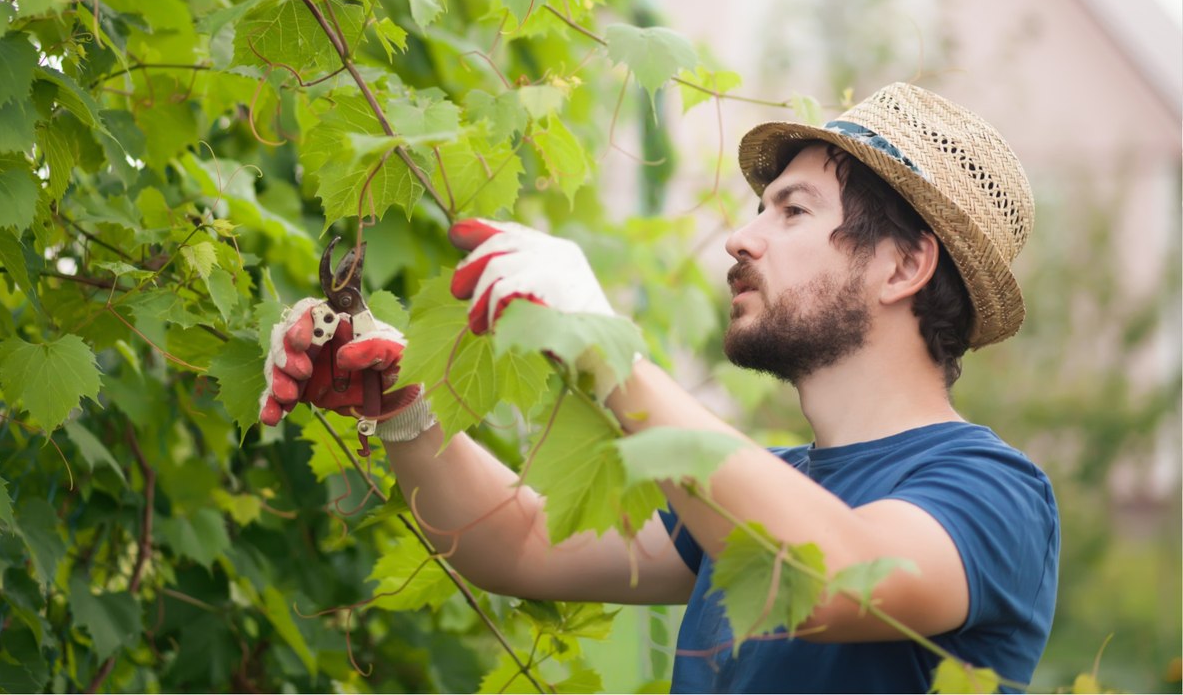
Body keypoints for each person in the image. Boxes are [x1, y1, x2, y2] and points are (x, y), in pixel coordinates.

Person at [259, 82, 1059, 693]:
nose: (741, 239)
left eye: (792, 211)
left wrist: (608, 352)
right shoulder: (763, 489)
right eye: (758, 209)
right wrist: (407, 409)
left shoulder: (995, 495)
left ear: (904, 266)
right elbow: (523, 545)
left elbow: (827, 579)